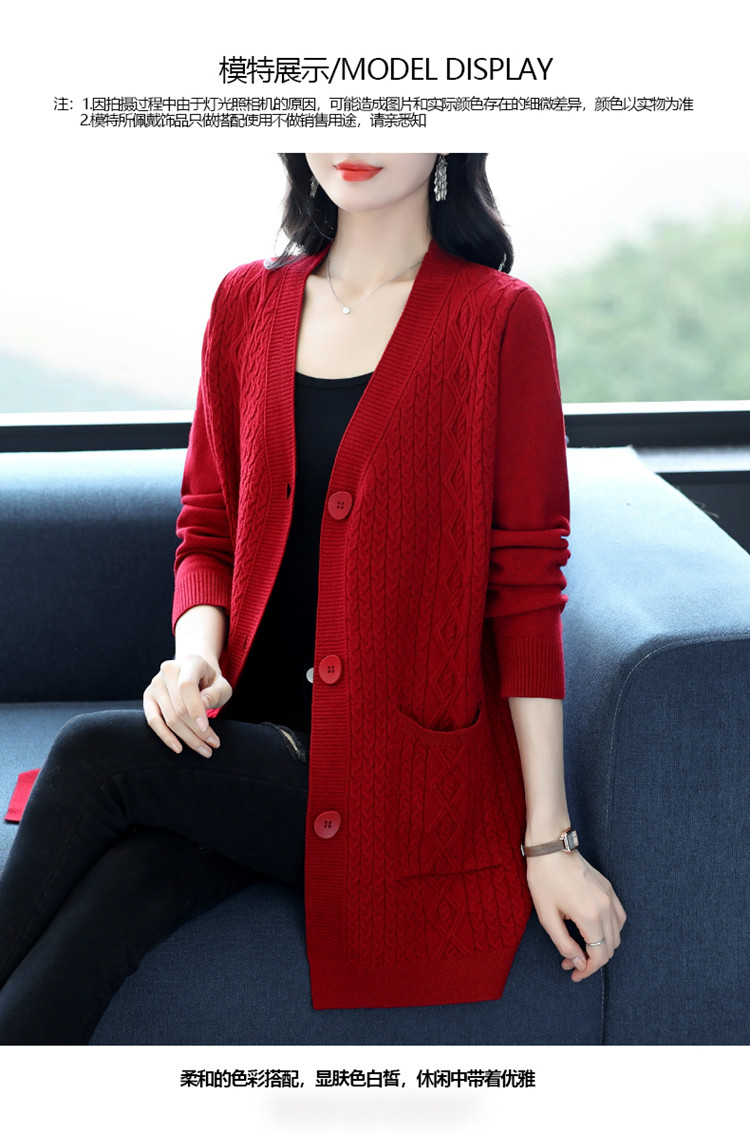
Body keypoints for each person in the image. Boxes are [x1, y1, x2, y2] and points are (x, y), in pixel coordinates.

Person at [0, 153, 625, 1043]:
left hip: (393, 778)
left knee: (95, 756)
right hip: (250, 742)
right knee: (126, 888)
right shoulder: (246, 303)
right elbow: (208, 527)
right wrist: (194, 658)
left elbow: (526, 589)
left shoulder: (498, 319)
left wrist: (549, 841)